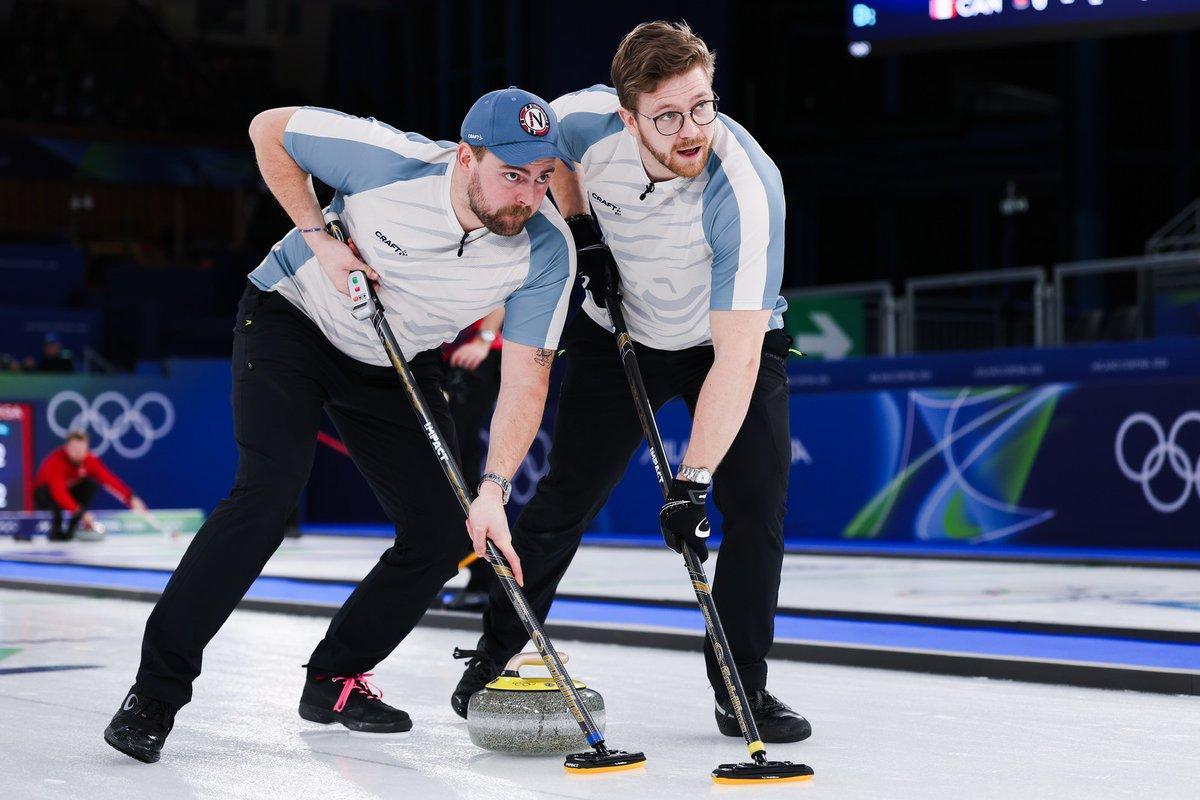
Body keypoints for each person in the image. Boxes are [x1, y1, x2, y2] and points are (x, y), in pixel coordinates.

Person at [103, 87, 576, 764]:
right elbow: (268, 129)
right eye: (513, 174)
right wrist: (320, 240)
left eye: (542, 178)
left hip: (396, 359)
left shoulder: (547, 250)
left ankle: (335, 678)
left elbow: (528, 379)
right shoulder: (390, 163)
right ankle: (155, 692)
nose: (528, 196)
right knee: (268, 496)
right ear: (467, 157)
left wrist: (496, 488)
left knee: (447, 531)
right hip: (291, 319)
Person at [452, 22, 810, 744]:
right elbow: (540, 163)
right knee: (560, 505)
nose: (691, 131)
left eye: (703, 106)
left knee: (757, 513)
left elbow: (739, 359)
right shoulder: (579, 122)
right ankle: (491, 658)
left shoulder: (745, 187)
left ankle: (742, 688)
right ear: (627, 116)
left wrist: (692, 481)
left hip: (725, 344)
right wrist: (582, 228)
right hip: (621, 338)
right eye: (668, 116)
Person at [442, 309, 504, 611]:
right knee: (448, 464)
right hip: (443, 356)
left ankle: (485, 576)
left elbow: (501, 291)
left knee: (458, 464)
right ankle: (472, 573)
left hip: (478, 355)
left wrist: (484, 339)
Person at [27, 430, 147, 542]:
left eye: (82, 448)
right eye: (74, 448)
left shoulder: (89, 460)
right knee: (50, 494)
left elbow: (108, 480)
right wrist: (80, 513)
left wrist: (130, 498)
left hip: (68, 494)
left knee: (91, 484)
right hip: (47, 496)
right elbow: (58, 492)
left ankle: (72, 529)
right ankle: (56, 528)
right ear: (67, 448)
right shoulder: (56, 461)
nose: (78, 452)